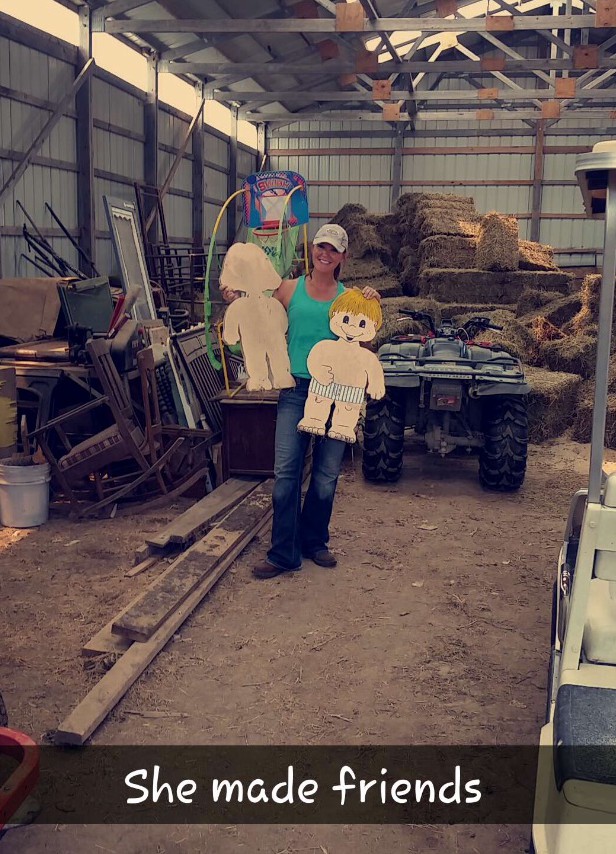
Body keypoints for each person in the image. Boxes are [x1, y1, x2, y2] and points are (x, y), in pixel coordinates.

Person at [220, 223, 381, 579]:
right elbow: (257, 305)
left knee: (325, 475)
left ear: (343, 257)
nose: (326, 253)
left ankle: (314, 542)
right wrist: (236, 295)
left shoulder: (350, 298)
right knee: (286, 473)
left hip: (336, 393)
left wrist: (371, 303)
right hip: (296, 391)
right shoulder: (288, 289)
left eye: (334, 249)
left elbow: (365, 342)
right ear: (312, 249)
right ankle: (283, 553)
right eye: (321, 246)